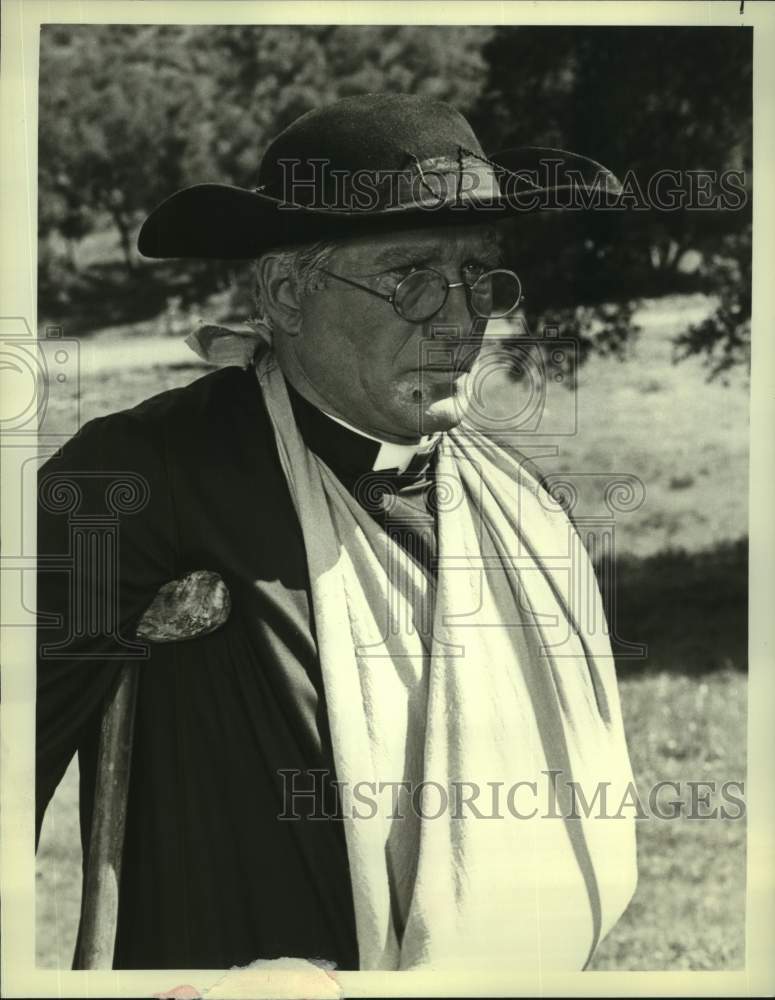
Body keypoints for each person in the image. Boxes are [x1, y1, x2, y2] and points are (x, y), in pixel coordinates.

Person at [36, 92, 637, 972]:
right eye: (412, 277)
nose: (461, 317)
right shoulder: (143, 479)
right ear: (284, 293)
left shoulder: (517, 502)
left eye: (478, 273)